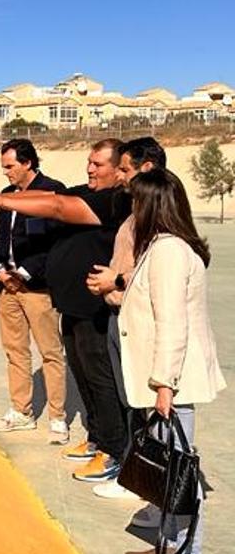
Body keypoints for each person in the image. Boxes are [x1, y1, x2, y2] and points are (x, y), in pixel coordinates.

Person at [0, 139, 129, 483]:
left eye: (98, 164)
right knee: (84, 376)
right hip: (72, 301)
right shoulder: (86, 191)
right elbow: (34, 204)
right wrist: (2, 198)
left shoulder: (115, 200)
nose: (90, 169)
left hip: (93, 306)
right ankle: (98, 438)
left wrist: (1, 198)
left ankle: (114, 451)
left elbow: (55, 207)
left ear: (120, 169)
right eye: (89, 162)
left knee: (100, 378)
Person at [117, 168, 224, 554]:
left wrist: (164, 383)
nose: (131, 211)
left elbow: (173, 324)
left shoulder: (168, 252)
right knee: (165, 469)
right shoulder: (162, 247)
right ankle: (168, 544)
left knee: (180, 471)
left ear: (151, 205)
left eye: (135, 202)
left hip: (171, 382)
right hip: (164, 380)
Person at [85, 137, 167, 500]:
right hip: (122, 315)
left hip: (142, 323)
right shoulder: (136, 209)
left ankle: (143, 481)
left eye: (125, 169)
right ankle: (137, 474)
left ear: (146, 168)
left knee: (147, 407)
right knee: (131, 400)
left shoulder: (160, 213)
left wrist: (114, 280)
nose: (119, 175)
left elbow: (158, 266)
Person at [0, 140, 68, 442]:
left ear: (28, 163)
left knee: (50, 352)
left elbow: (54, 244)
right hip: (6, 287)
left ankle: (58, 418)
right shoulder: (6, 196)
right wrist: (0, 270)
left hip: (37, 287)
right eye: (3, 167)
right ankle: (21, 412)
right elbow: (1, 238)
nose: (5, 172)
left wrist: (23, 274)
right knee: (15, 351)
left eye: (9, 166)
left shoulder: (52, 192)